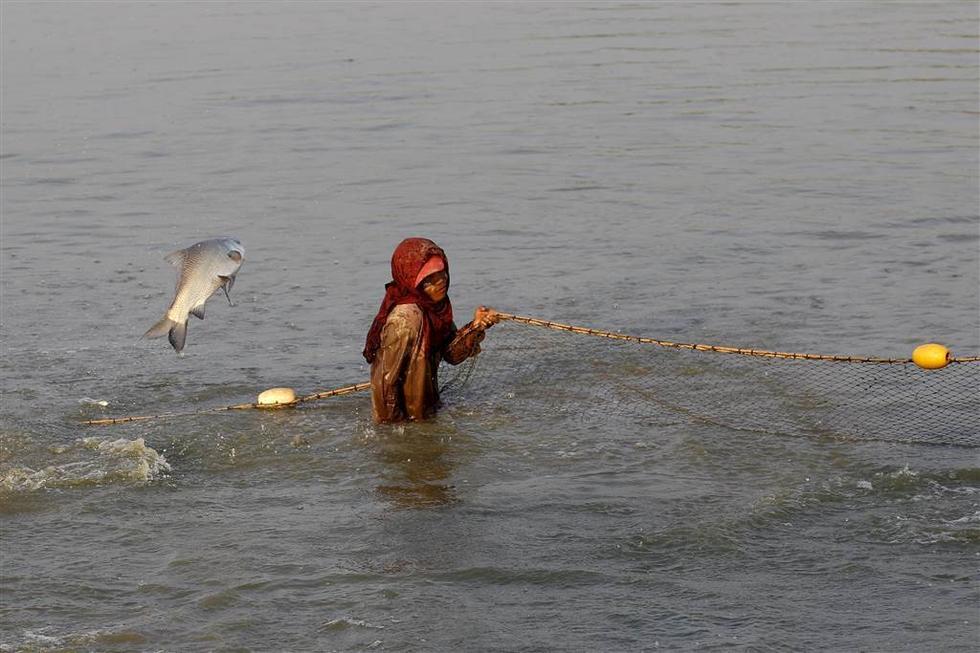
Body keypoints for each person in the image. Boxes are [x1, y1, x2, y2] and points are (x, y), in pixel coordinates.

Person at [363, 237, 500, 423]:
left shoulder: (435, 309)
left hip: (426, 411)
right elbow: (385, 385)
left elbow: (451, 354)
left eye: (442, 273)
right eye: (430, 279)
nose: (441, 281)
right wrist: (395, 432)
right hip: (408, 421)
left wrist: (477, 326)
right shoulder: (405, 321)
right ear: (414, 283)